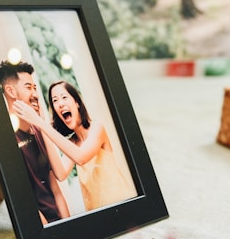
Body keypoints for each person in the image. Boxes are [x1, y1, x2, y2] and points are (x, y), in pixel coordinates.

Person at [13, 80, 137, 212]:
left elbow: (81, 157)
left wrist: (39, 122)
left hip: (124, 207)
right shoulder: (73, 142)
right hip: (100, 214)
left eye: (64, 97)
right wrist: (42, 125)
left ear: (77, 103)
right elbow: (60, 174)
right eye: (55, 100)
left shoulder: (97, 128)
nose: (60, 104)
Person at [0, 60, 70, 225]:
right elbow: (24, 200)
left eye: (35, 88)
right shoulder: (6, 140)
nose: (36, 94)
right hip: (39, 228)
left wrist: (69, 225)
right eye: (29, 87)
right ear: (11, 91)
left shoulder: (38, 130)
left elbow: (56, 189)